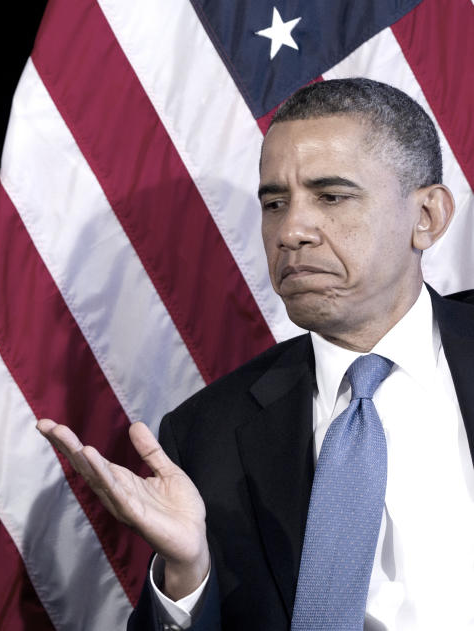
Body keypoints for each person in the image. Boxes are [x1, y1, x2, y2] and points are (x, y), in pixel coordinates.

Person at [39, 78, 474, 629]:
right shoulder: (204, 435)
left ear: (428, 216)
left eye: (331, 196)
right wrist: (187, 573)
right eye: (274, 202)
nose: (291, 230)